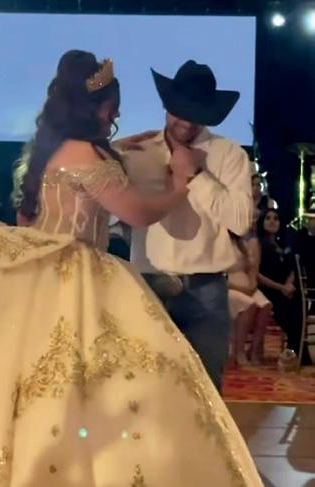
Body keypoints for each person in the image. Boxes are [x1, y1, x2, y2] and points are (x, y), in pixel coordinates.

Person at [0, 51, 262, 487]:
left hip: (44, 270)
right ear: (94, 107)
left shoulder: (54, 149)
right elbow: (138, 213)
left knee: (25, 377)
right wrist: (181, 182)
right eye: (112, 106)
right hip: (79, 273)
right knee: (90, 381)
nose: (117, 115)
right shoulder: (93, 157)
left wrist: (121, 150)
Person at [122, 60, 253, 390]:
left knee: (206, 391)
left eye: (196, 114)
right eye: (179, 111)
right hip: (148, 284)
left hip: (205, 288)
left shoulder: (228, 154)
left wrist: (196, 175)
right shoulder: (139, 151)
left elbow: (240, 222)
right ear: (167, 106)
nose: (186, 121)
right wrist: (113, 152)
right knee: (144, 390)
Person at [257, 208, 302, 354]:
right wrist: (281, 288)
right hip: (268, 289)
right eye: (268, 218)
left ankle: (297, 349)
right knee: (288, 309)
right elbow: (257, 275)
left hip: (284, 290)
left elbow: (293, 267)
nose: (272, 221)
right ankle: (295, 349)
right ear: (262, 222)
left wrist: (288, 283)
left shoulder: (283, 244)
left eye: (275, 218)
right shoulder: (258, 244)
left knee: (298, 300)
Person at [228, 232, 272, 366]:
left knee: (265, 304)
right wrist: (241, 289)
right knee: (249, 304)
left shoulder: (241, 243)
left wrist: (252, 284)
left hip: (247, 284)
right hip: (230, 286)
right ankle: (239, 351)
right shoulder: (221, 242)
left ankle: (254, 351)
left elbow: (252, 269)